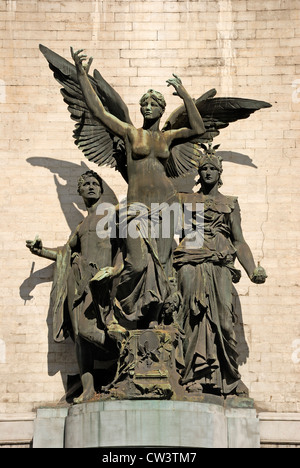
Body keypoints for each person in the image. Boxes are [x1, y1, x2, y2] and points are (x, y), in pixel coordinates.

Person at [71, 48, 206, 329]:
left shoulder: (168, 137)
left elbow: (198, 128)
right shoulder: (132, 133)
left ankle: (154, 320)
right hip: (135, 209)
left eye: (153, 103)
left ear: (161, 109)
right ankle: (113, 305)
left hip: (166, 207)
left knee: (163, 266)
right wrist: (81, 74)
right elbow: (98, 111)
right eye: (143, 103)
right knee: (138, 263)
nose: (147, 107)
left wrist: (185, 95)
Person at [173, 148, 267, 396]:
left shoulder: (230, 204)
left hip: (219, 264)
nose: (207, 172)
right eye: (203, 169)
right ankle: (191, 376)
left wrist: (252, 269)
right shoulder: (185, 201)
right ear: (198, 173)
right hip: (190, 262)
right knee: (191, 316)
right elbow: (172, 233)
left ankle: (229, 377)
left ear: (219, 172)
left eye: (212, 168)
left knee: (224, 321)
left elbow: (239, 241)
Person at [26, 170, 123, 403]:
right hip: (79, 282)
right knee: (79, 335)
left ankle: (124, 353)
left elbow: (123, 247)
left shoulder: (110, 216)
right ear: (79, 192)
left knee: (89, 330)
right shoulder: (81, 226)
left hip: (101, 281)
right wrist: (42, 251)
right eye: (86, 184)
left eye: (95, 184)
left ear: (101, 190)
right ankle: (88, 388)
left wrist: (115, 270)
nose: (91, 187)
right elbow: (66, 252)